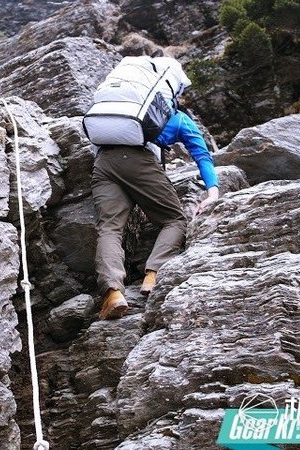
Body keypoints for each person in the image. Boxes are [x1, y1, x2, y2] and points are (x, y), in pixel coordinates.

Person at [92, 62, 219, 320]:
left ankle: (112, 293)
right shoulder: (176, 117)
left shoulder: (118, 106)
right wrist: (213, 191)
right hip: (140, 162)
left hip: (104, 161)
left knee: (110, 228)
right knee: (173, 219)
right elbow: (202, 155)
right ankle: (154, 274)